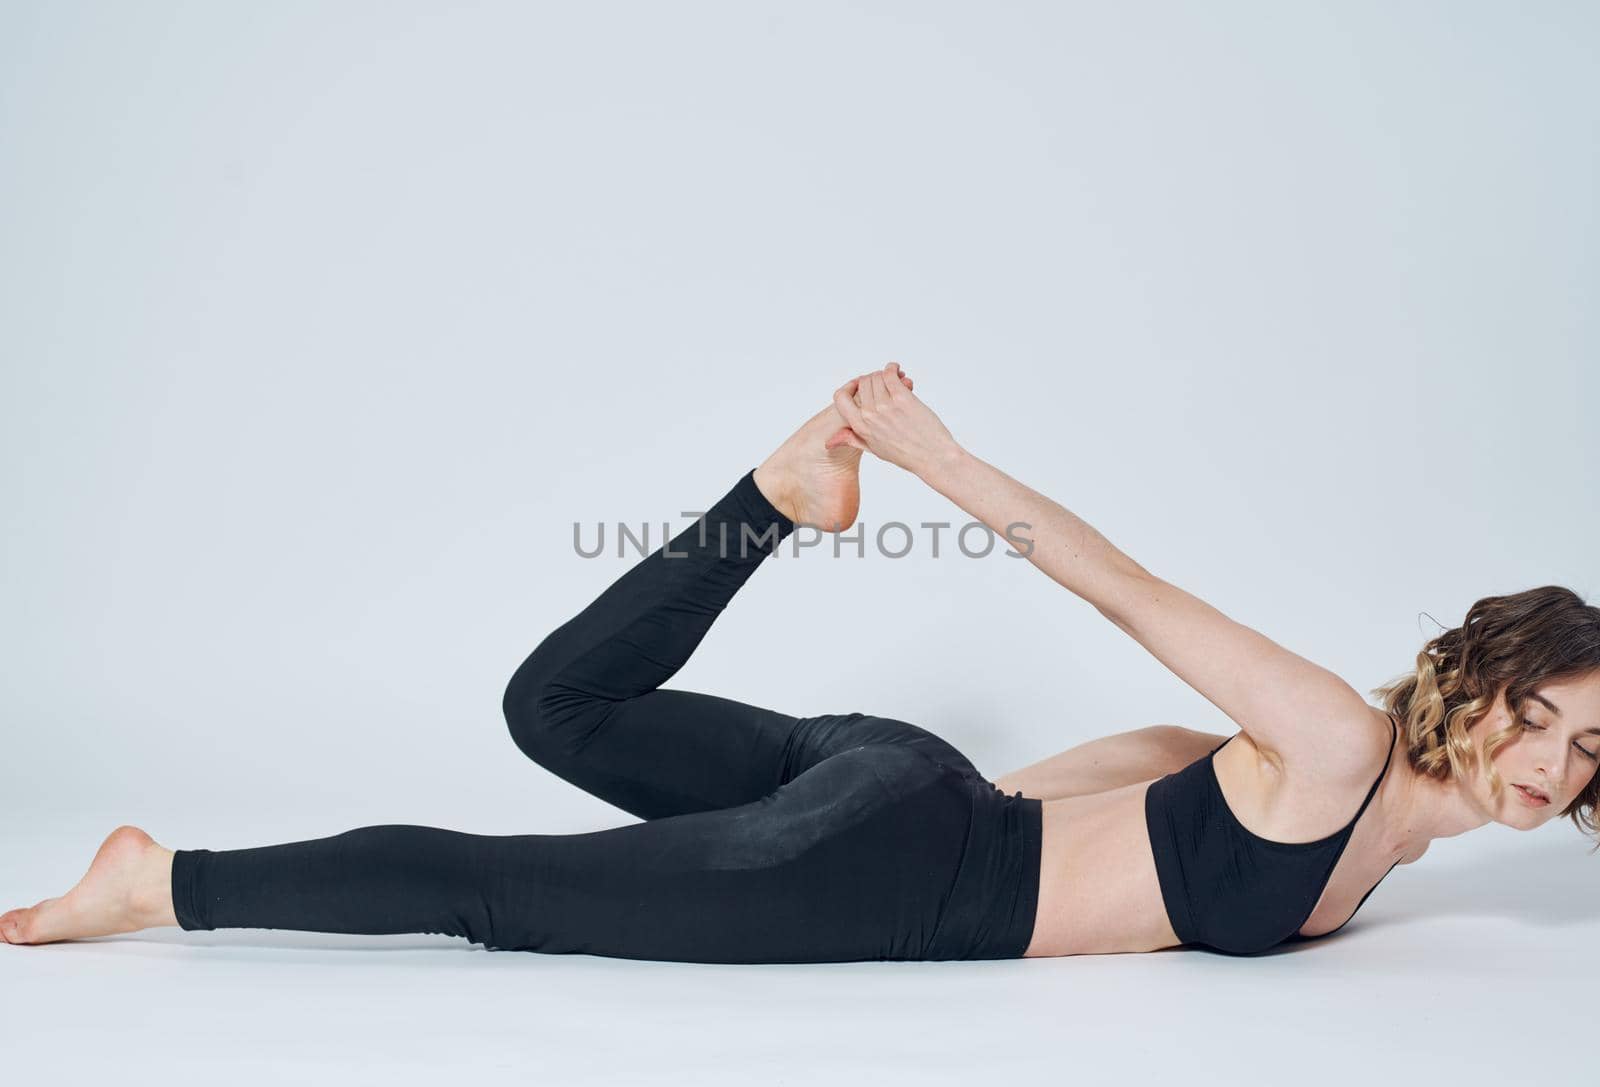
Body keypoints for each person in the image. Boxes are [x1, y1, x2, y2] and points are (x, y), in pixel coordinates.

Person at [4, 363, 1598, 959]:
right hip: (903, 870)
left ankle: (772, 497)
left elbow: (1141, 763)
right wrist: (937, 459)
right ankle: (166, 883)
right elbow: (1124, 590)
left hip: (919, 803)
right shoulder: (1332, 743)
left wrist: (980, 811)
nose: (1560, 768)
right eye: (1550, 723)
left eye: (1592, 754)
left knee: (555, 713)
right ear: (1481, 684)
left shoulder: (1366, 811)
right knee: (498, 895)